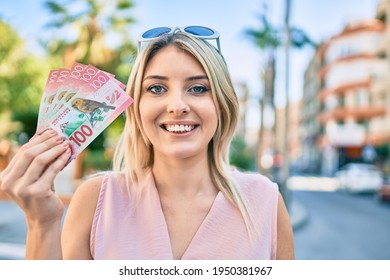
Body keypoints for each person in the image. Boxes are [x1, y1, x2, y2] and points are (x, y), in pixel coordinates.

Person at [0, 26, 294, 260]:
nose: (177, 105)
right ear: (135, 107)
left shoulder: (266, 201)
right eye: (156, 88)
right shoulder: (95, 199)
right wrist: (42, 223)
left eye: (198, 88)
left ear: (222, 104)